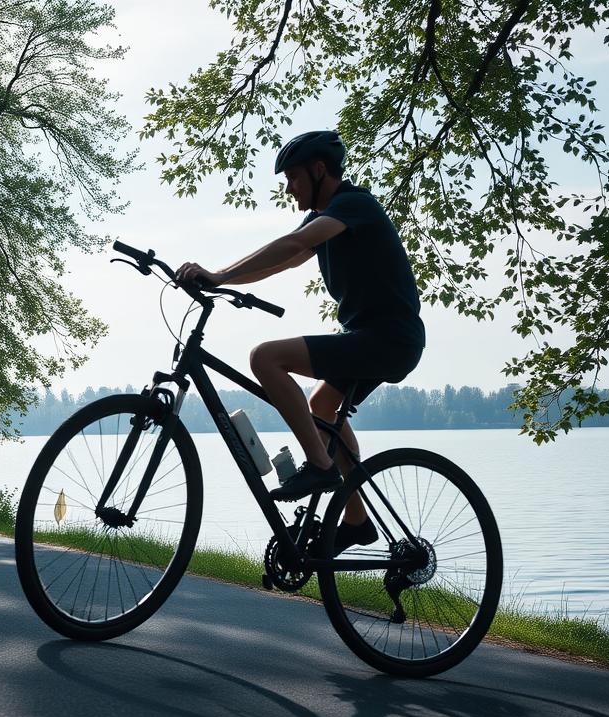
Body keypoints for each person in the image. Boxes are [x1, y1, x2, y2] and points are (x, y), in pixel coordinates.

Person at [176, 130, 425, 555]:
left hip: (388, 337)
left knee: (265, 358)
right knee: (321, 407)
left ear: (319, 170)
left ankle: (322, 467)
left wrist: (216, 276)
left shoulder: (353, 205)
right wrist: (221, 277)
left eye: (292, 177)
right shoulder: (325, 220)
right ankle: (357, 521)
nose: (289, 187)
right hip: (374, 338)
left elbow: (294, 244)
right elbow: (285, 258)